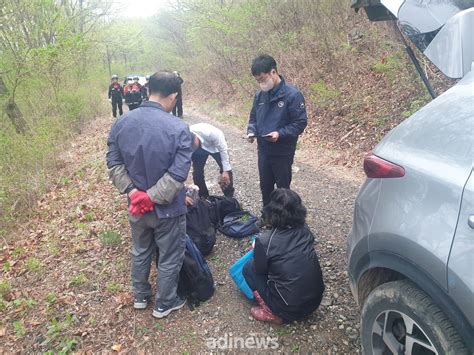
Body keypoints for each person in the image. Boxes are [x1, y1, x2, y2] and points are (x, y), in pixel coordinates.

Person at [106, 71, 193, 319]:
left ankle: (141, 296)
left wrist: (134, 193)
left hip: (137, 208)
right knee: (169, 255)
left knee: (140, 250)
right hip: (169, 208)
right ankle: (165, 302)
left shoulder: (121, 123)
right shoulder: (178, 128)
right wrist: (152, 196)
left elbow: (113, 163)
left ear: (148, 90)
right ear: (173, 96)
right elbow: (178, 174)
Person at [242, 188, 325, 324]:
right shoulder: (305, 230)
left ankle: (271, 311)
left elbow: (260, 270)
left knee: (249, 267)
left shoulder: (264, 241)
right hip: (315, 302)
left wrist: (259, 251)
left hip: (288, 309)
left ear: (272, 212)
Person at [247, 54, 307, 206]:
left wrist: (280, 133)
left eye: (262, 79)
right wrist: (251, 131)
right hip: (263, 149)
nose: (261, 83)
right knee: (265, 187)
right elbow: (253, 117)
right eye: (257, 80)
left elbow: (300, 123)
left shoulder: (292, 95)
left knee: (283, 190)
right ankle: (267, 217)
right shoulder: (260, 95)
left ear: (273, 72)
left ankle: (284, 222)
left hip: (282, 151)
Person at [190, 123, 234, 198]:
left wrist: (225, 171)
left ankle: (229, 196)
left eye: (193, 145)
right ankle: (204, 197)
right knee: (197, 173)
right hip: (199, 152)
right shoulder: (185, 136)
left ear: (196, 138)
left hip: (215, 147)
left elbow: (223, 150)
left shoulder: (212, 133)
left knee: (226, 170)